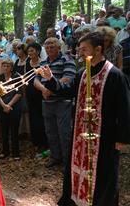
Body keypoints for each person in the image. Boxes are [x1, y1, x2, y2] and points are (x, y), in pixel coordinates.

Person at [39, 32, 130, 206]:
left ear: (98, 49)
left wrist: (122, 138)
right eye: (79, 49)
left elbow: (124, 109)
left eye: (84, 49)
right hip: (80, 134)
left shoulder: (115, 75)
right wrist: (50, 79)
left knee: (104, 173)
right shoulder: (82, 73)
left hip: (105, 136)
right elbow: (66, 90)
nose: (80, 52)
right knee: (78, 169)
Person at [34, 37, 76, 168]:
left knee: (64, 133)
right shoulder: (43, 63)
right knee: (50, 132)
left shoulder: (67, 59)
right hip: (47, 103)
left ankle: (67, 162)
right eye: (47, 46)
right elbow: (36, 80)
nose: (49, 48)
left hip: (62, 102)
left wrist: (51, 90)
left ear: (59, 47)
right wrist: (43, 89)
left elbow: (68, 78)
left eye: (52, 46)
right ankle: (55, 157)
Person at [0, 59, 22, 160]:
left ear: (11, 67)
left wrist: (9, 105)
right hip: (2, 107)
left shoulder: (16, 77)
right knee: (4, 130)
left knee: (14, 130)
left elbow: (19, 94)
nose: (5, 68)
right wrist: (3, 105)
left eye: (8, 66)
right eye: (4, 66)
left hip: (14, 107)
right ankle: (5, 151)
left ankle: (16, 153)